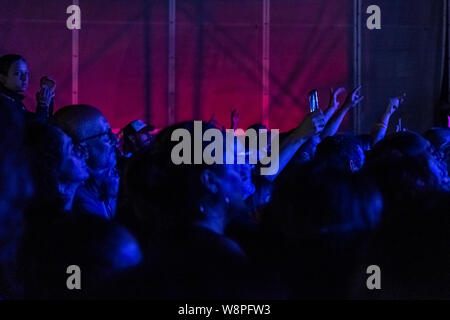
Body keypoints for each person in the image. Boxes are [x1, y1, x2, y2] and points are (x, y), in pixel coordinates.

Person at [54, 105, 119, 220]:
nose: (115, 140)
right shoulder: (74, 207)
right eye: (106, 135)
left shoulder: (107, 187)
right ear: (81, 149)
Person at [0, 54, 54, 121]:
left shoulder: (14, 101)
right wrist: (43, 105)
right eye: (17, 73)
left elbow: (36, 121)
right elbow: (36, 128)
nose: (24, 78)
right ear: (2, 78)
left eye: (26, 73)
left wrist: (48, 98)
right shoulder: (4, 105)